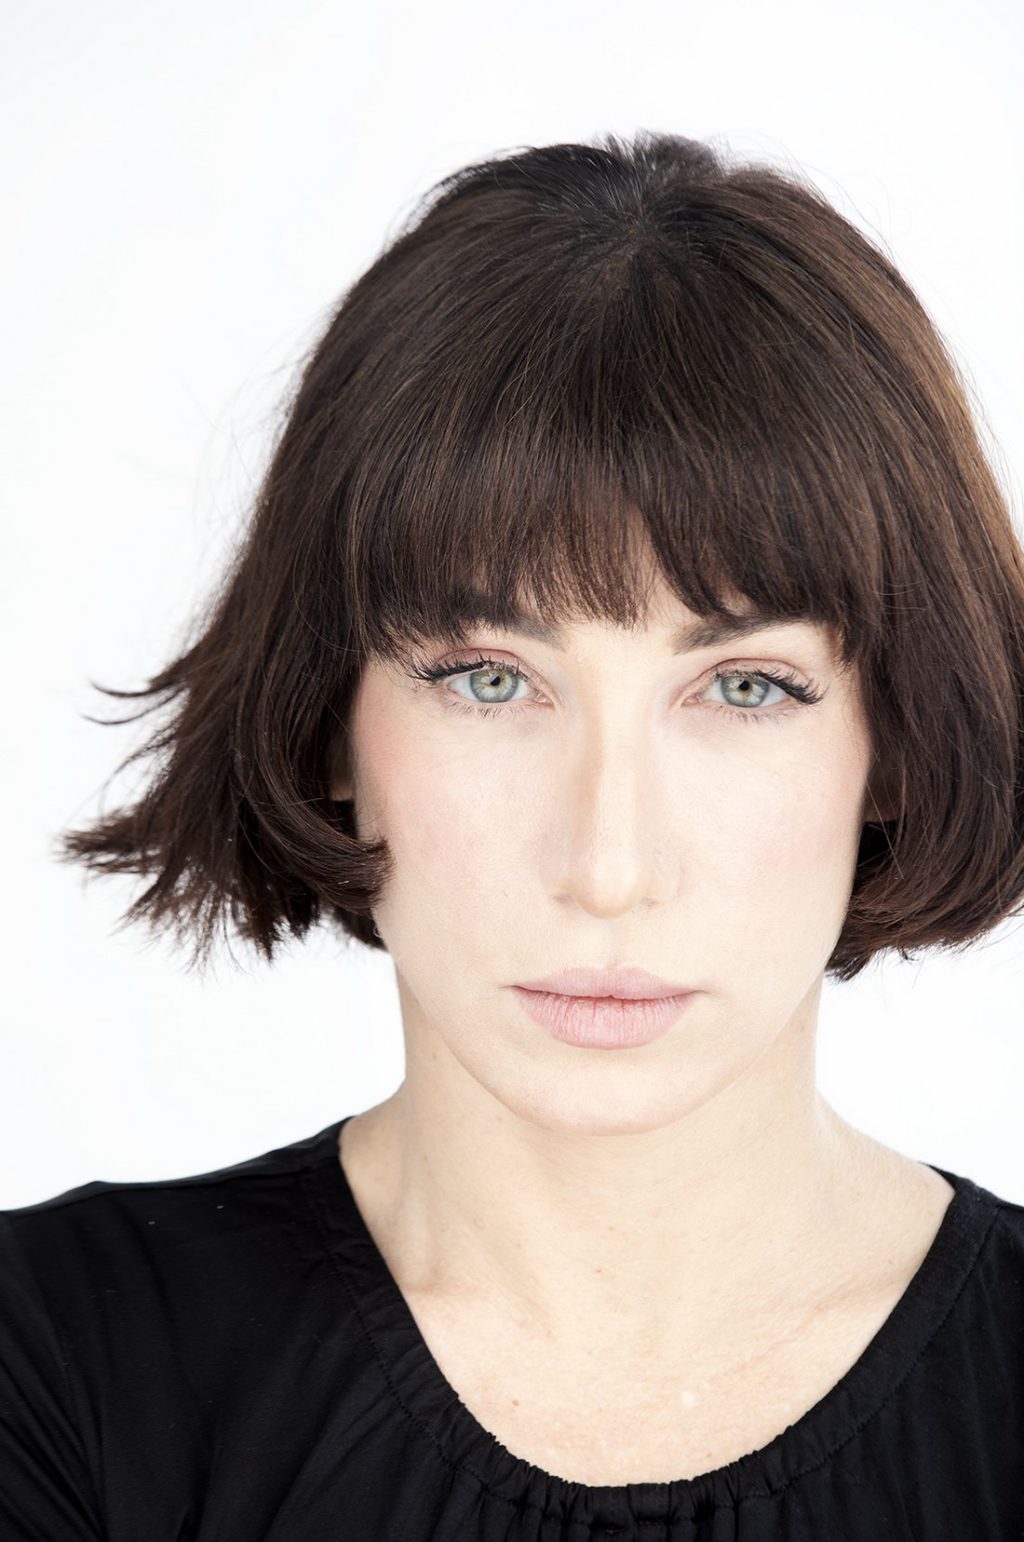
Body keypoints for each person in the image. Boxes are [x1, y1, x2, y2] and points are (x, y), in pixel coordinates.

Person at [3, 130, 1023, 1539]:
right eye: (490, 679)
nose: (607, 868)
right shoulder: (54, 1369)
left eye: (745, 687)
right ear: (327, 717)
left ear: (898, 740)